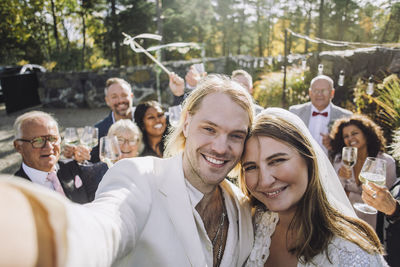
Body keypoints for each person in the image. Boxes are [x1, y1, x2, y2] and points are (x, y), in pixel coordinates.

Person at [0, 74, 255, 266]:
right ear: (186, 123)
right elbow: (105, 225)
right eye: (209, 129)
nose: (221, 148)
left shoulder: (242, 207)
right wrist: (42, 235)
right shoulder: (138, 176)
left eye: (236, 135)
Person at [240, 108, 387, 266]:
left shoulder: (351, 254)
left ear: (309, 160)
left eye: (277, 160)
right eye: (251, 167)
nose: (264, 181)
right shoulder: (254, 222)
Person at [13, 111, 104, 203]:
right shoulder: (12, 192)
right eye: (38, 140)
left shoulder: (73, 167)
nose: (49, 147)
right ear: (19, 147)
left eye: (53, 139)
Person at [330, 114, 397, 229]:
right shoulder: (341, 160)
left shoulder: (386, 162)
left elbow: (388, 199)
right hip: (347, 222)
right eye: (346, 136)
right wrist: (341, 177)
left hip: (375, 226)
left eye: (355, 133)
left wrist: (349, 194)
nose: (350, 138)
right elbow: (335, 195)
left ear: (366, 134)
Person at [289, 75, 352, 154]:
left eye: (324, 91)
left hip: (331, 164)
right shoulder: (295, 112)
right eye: (316, 90)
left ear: (332, 93)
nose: (319, 94)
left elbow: (350, 146)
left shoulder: (345, 116)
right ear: (310, 93)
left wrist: (335, 144)